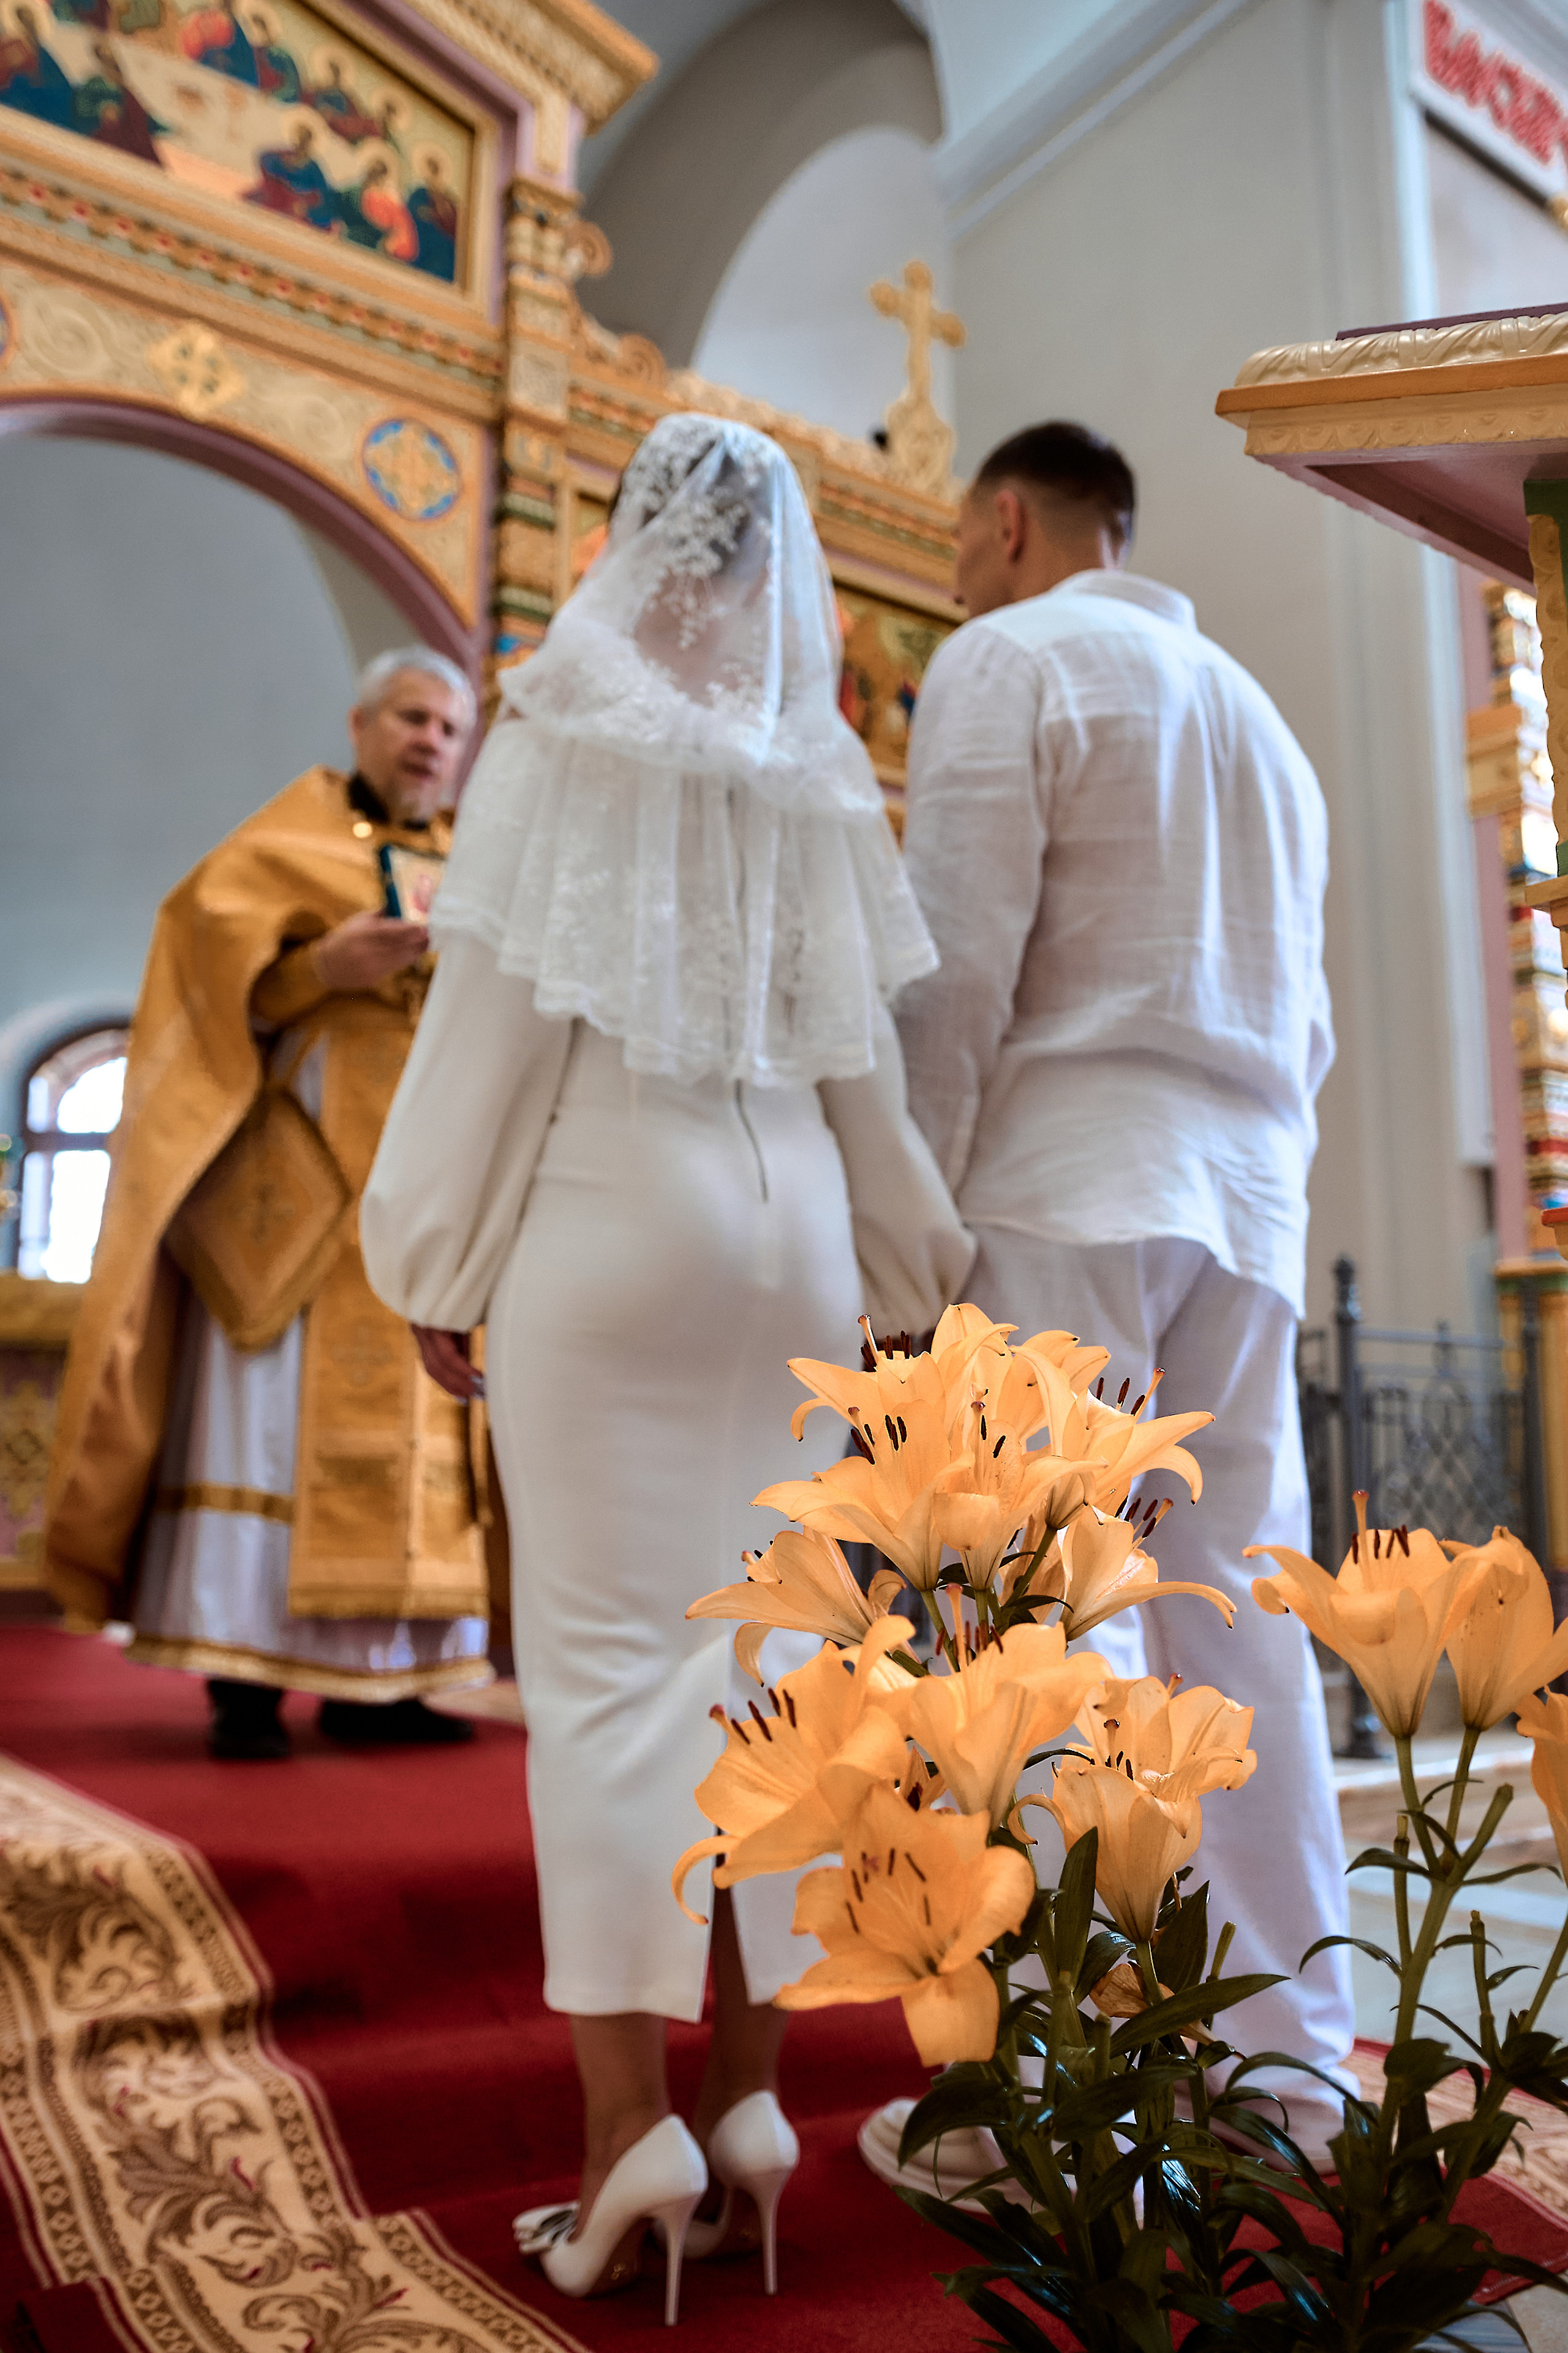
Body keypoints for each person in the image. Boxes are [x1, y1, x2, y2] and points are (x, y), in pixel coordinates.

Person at [361, 414, 970, 2321]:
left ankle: (631, 2141)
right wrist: (900, 1266)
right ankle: (755, 2113)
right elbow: (868, 1054)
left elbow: (497, 1013)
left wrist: (437, 1255)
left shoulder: (565, 719)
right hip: (793, 1234)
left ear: (632, 539)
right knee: (777, 1676)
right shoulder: (818, 760)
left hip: (613, 1227)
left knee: (619, 1682)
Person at [889, 420, 1354, 2161]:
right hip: (1246, 1194)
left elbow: (952, 968)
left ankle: (1041, 2095)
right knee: (1233, 1620)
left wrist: (911, 1226)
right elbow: (1311, 1018)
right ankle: (1292, 2072)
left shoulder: (1005, 657)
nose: (951, 574)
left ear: (1007, 522)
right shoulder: (1264, 721)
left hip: (1063, 1182)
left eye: (954, 542)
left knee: (1033, 1625)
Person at [43, 650, 497, 1761]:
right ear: (361, 722)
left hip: (424, 1198)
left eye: (448, 724)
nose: (429, 739)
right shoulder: (282, 840)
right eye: (409, 717)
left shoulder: (486, 869)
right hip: (294, 1199)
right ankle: (242, 1681)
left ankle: (379, 1683)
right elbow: (199, 989)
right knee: (263, 1419)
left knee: (421, 1419)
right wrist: (316, 971)